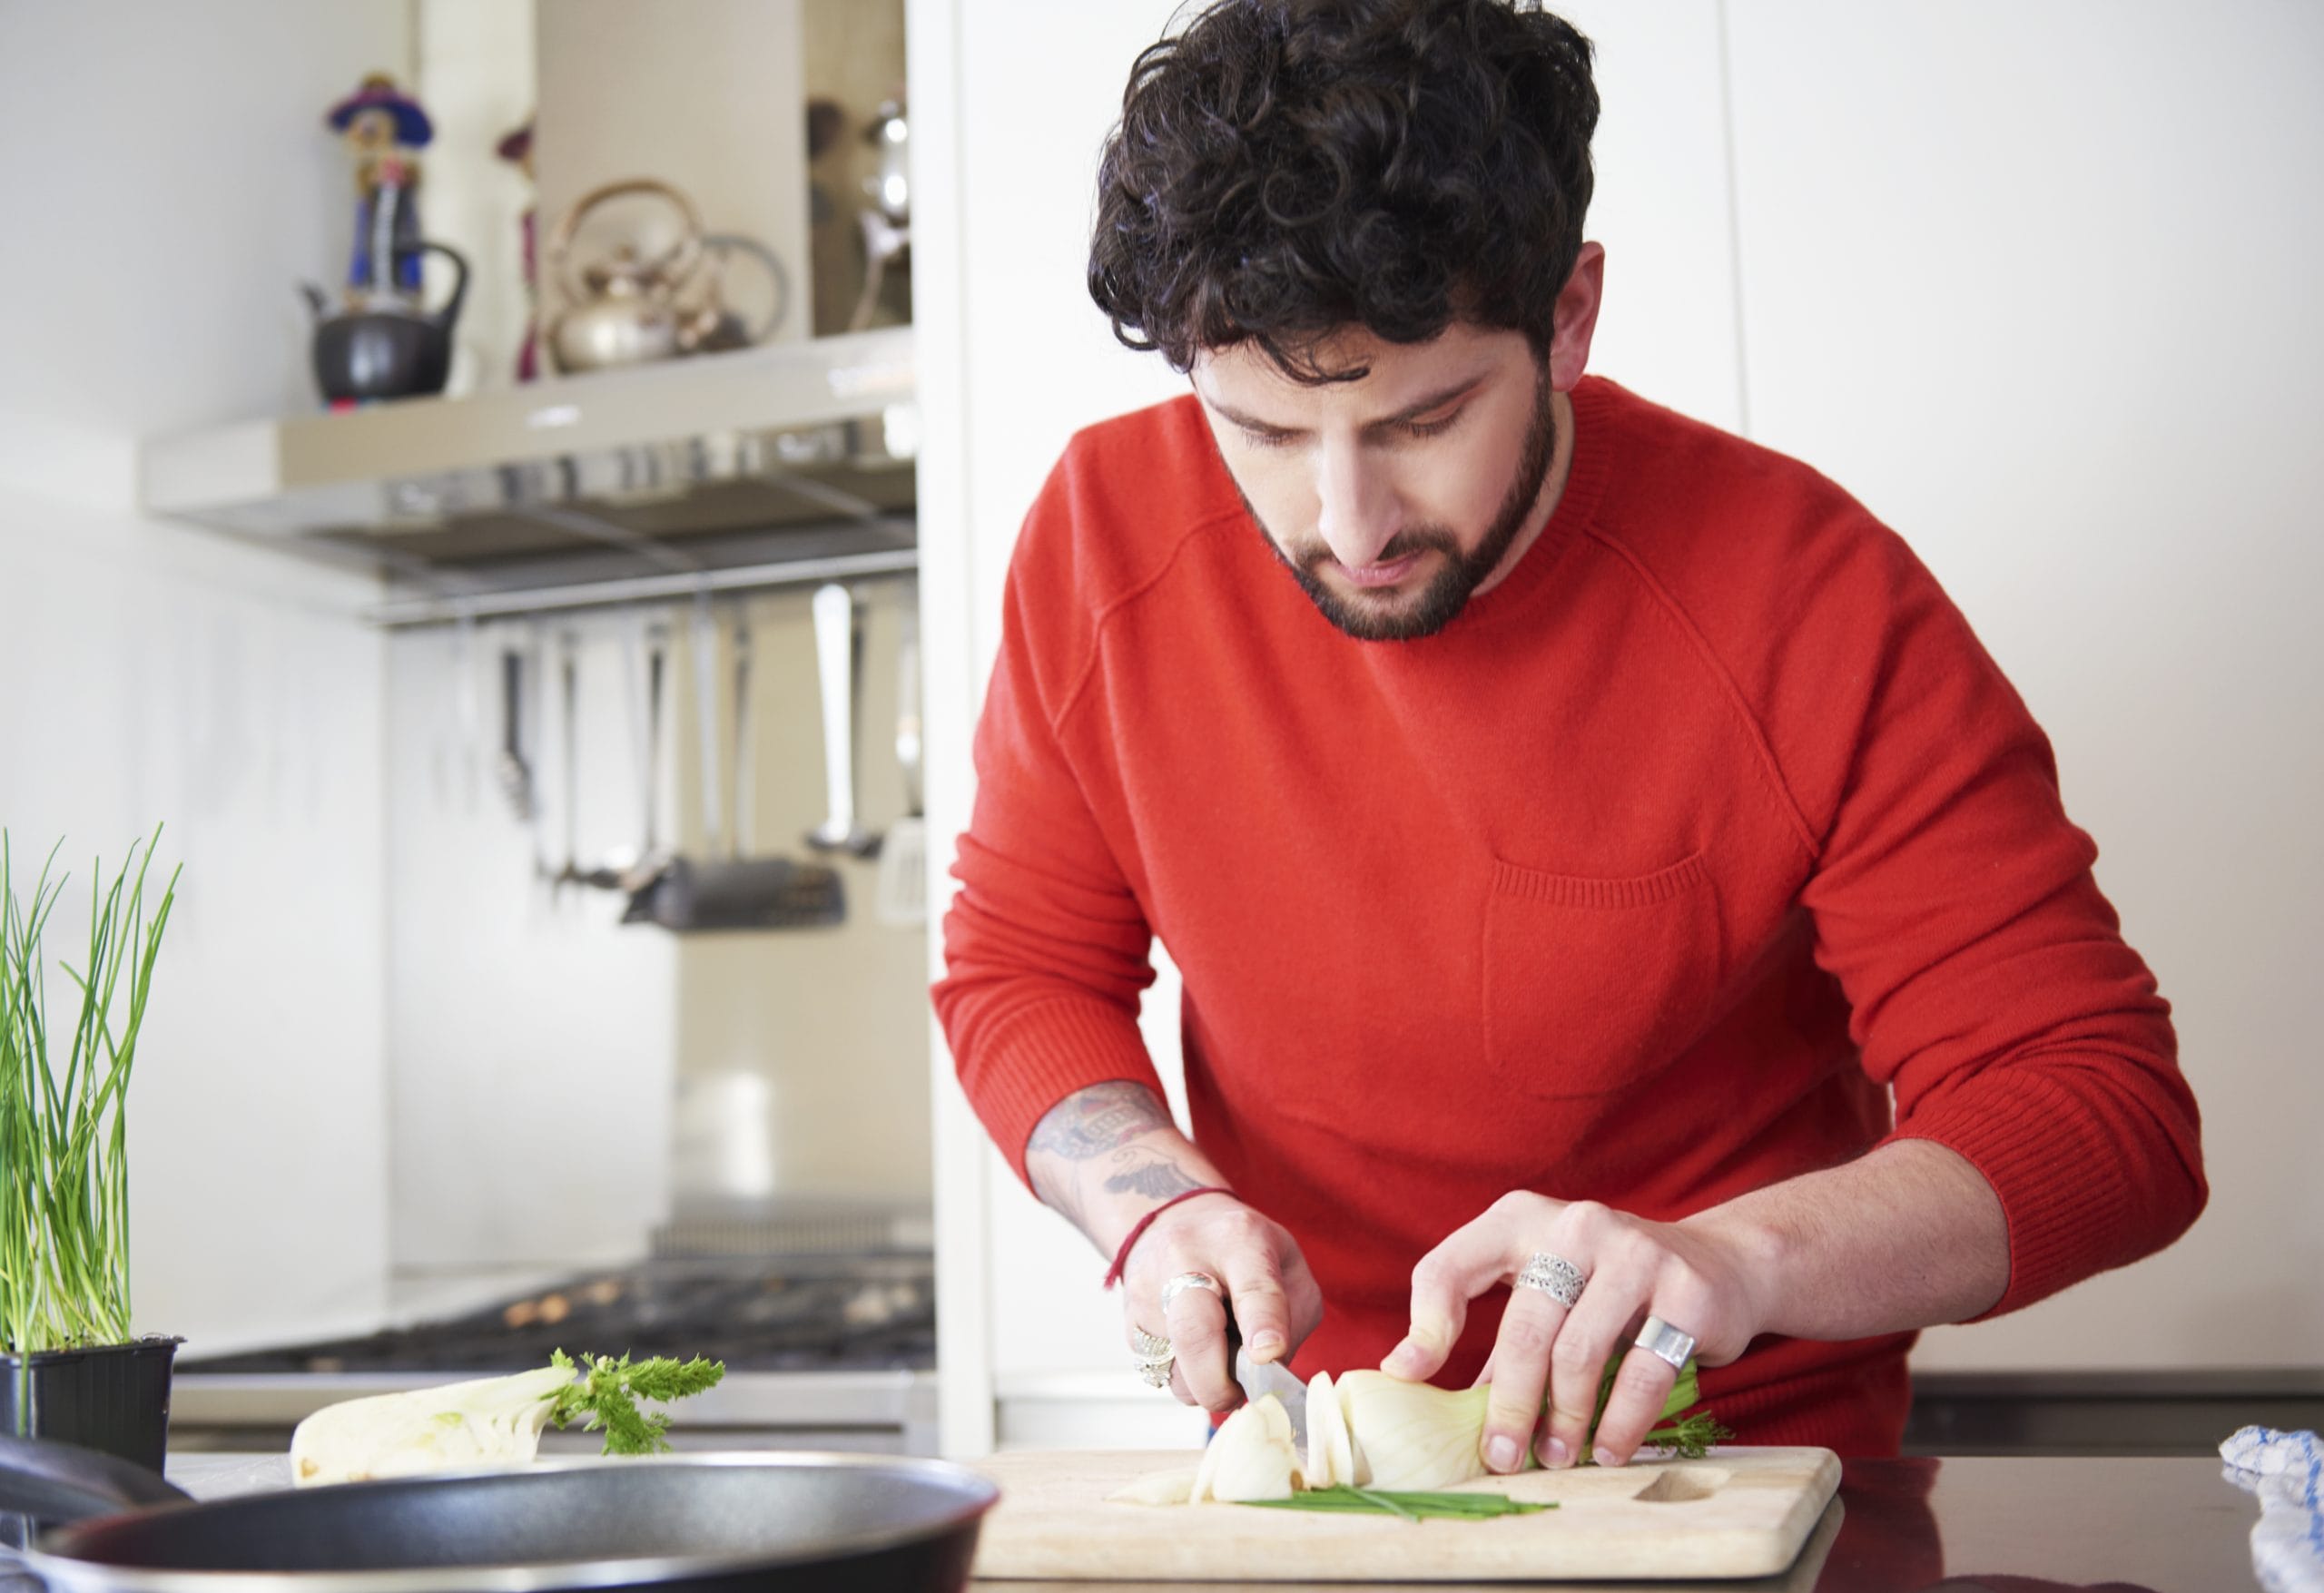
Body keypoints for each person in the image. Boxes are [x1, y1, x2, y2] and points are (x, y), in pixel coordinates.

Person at [932, 0, 2205, 1470]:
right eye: (1264, 435)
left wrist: (1736, 1262)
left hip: (1721, 1468)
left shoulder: (1809, 595)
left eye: (1424, 418)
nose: (1346, 527)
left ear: (1569, 320)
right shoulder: (1102, 537)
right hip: (1316, 1462)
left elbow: (2104, 1111)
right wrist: (1151, 1202)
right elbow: (1020, 967)